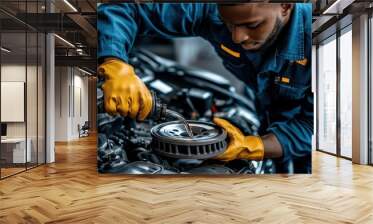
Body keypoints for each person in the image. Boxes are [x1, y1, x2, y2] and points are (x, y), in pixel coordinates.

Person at [97, 3, 313, 173]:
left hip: (300, 131)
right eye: (229, 24)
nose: (237, 37)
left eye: (252, 25)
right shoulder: (211, 11)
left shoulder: (318, 41)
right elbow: (125, 8)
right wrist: (115, 63)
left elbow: (315, 125)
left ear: (285, 5)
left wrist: (251, 146)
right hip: (260, 101)